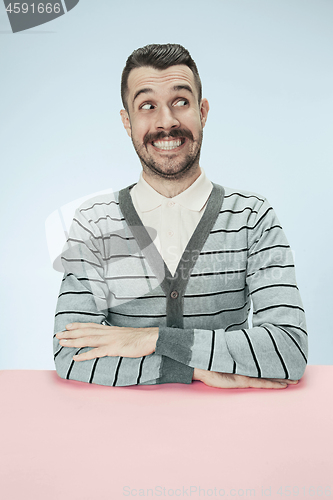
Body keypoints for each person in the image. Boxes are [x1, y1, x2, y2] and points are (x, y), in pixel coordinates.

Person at [53, 43, 307, 389]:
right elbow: (71, 355)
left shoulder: (252, 218)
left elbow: (287, 351)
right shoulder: (94, 223)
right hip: (117, 432)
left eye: (181, 102)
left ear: (202, 111)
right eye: (147, 106)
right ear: (127, 122)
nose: (167, 121)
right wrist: (194, 370)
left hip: (231, 428)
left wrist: (153, 339)